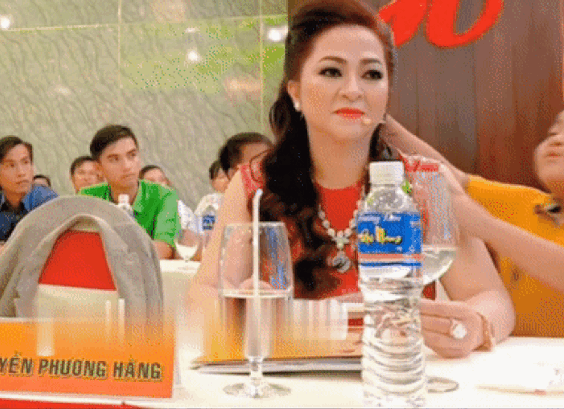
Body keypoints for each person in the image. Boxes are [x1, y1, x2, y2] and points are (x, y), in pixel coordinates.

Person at [187, 0, 515, 358]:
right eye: (332, 71)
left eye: (372, 75)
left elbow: (492, 298)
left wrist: (474, 324)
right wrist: (239, 312)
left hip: (397, 373)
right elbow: (201, 297)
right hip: (291, 379)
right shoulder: (255, 184)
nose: (353, 90)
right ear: (295, 91)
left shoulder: (425, 182)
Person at [383, 113, 564, 337]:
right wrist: (382, 120)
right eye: (553, 132)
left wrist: (483, 224)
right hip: (520, 355)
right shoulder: (529, 203)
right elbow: (450, 179)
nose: (558, 140)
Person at [80, 125, 179, 259]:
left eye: (132, 155)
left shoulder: (164, 195)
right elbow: (81, 248)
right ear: (98, 168)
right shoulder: (87, 197)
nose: (127, 166)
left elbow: (163, 249)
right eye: (114, 159)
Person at [0, 136, 58, 260]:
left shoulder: (47, 200)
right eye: (11, 165)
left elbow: (49, 248)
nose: (21, 172)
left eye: (25, 163)